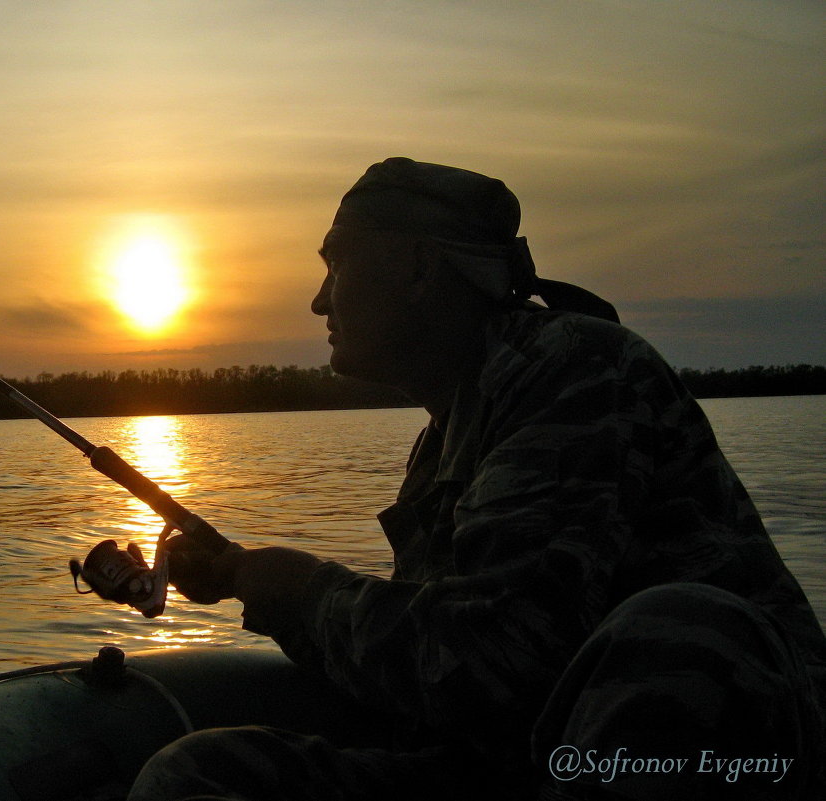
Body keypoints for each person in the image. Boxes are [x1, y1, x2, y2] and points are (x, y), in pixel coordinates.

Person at [127, 158, 826, 800]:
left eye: (335, 263)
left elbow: (497, 660)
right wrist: (243, 578)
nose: (317, 300)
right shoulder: (449, 431)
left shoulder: (574, 371)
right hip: (517, 759)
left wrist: (302, 592)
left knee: (678, 626)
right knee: (196, 772)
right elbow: (431, 677)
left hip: (693, 754)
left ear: (419, 268)